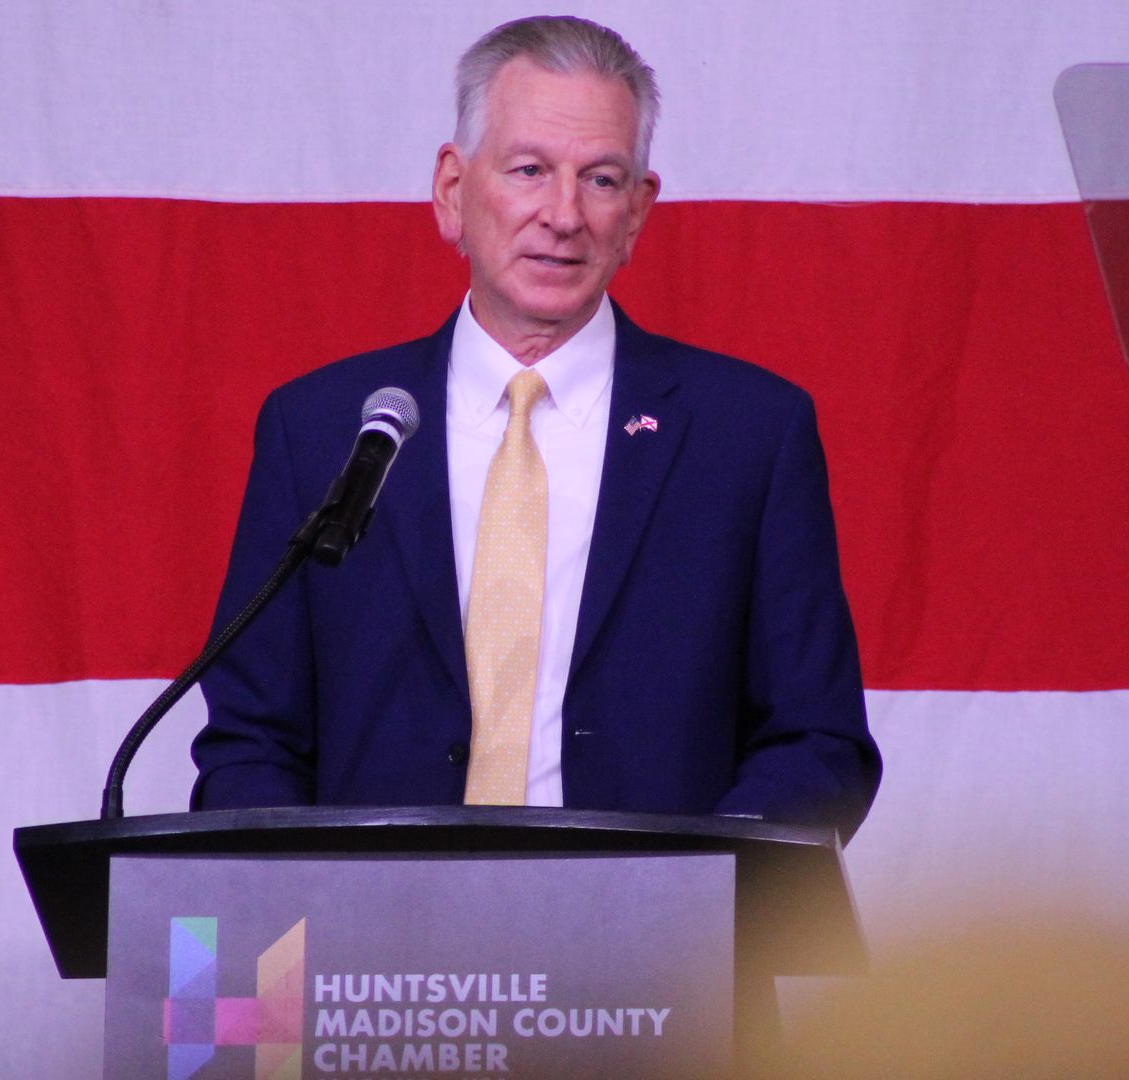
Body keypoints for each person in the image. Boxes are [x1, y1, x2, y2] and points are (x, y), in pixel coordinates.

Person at [189, 15, 879, 837]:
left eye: (601, 179)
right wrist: (303, 925)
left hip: (658, 950)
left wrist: (693, 891)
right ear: (452, 189)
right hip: (376, 952)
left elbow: (819, 742)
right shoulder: (322, 431)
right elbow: (251, 742)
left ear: (638, 212)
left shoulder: (750, 435)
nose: (563, 214)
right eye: (528, 169)